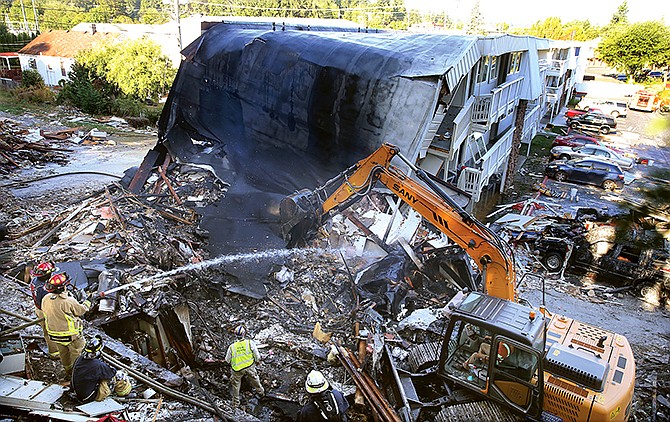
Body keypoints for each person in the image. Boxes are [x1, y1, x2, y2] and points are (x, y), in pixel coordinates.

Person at [41, 272, 91, 379]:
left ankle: (68, 371)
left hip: (54, 334)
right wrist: (88, 302)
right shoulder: (68, 301)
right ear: (63, 287)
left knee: (63, 354)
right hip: (71, 335)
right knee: (77, 353)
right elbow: (80, 311)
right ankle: (77, 375)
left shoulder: (46, 298)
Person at [71, 335, 132, 402]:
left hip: (77, 392)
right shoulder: (98, 365)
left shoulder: (80, 359)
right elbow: (111, 373)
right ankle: (124, 393)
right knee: (118, 377)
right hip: (88, 397)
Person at [225, 325, 265, 408]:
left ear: (235, 335)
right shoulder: (250, 343)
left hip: (237, 369)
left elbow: (227, 360)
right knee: (255, 380)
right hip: (249, 367)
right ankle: (261, 393)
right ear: (244, 334)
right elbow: (257, 356)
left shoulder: (232, 347)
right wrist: (257, 361)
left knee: (236, 385)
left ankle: (235, 403)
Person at [29, 261, 60, 359]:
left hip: (38, 308)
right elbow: (51, 304)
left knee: (46, 331)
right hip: (45, 311)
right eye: (49, 273)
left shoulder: (34, 281)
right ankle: (54, 353)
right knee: (51, 332)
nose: (51, 275)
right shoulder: (45, 289)